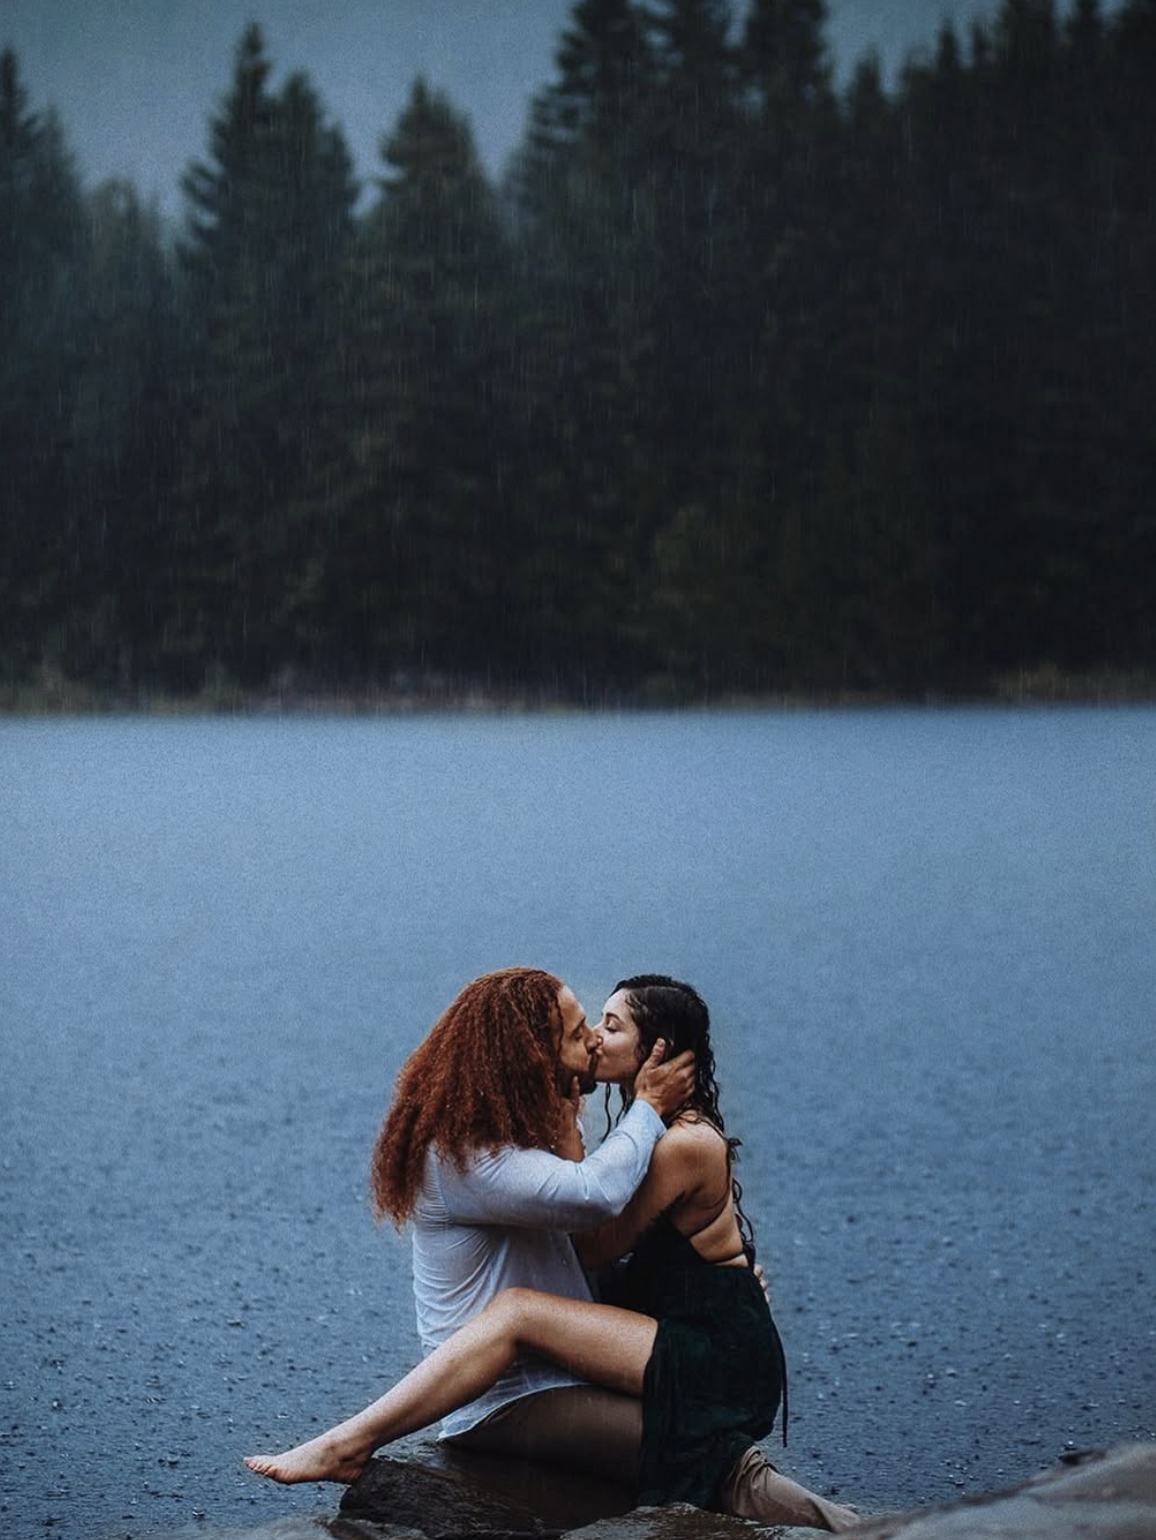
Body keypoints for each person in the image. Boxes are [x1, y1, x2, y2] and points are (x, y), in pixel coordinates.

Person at [244, 969, 856, 1531]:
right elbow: (591, 1206)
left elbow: (596, 1250)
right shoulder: (466, 1159)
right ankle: (348, 1444)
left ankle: (865, 1528)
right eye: (578, 1032)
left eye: (604, 1026)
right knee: (690, 1439)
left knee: (697, 1439)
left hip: (564, 1372)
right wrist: (640, 1109)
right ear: (534, 1057)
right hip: (506, 1397)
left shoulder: (541, 1140)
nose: (591, 1040)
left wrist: (719, 1286)